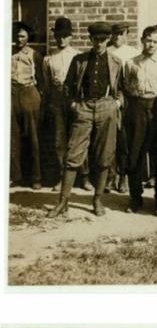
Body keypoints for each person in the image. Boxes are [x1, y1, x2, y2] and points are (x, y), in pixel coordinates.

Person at [50, 21, 123, 218]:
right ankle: (63, 201)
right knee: (73, 154)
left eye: (103, 40)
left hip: (106, 108)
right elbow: (67, 88)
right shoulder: (79, 60)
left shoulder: (116, 62)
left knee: (104, 155)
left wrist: (116, 104)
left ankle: (97, 200)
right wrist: (74, 105)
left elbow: (122, 89)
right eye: (95, 39)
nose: (99, 43)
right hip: (84, 108)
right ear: (90, 39)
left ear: (108, 40)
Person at [42, 17, 77, 188]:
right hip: (57, 99)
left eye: (65, 36)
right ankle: (62, 176)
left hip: (74, 98)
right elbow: (47, 84)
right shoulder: (49, 59)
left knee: (77, 137)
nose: (61, 39)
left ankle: (82, 177)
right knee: (59, 139)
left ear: (71, 37)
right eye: (58, 36)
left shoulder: (78, 56)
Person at [10, 21, 43, 189]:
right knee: (13, 135)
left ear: (28, 38)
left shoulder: (34, 54)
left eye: (22, 36)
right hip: (12, 93)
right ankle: (16, 176)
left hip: (29, 92)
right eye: (17, 36)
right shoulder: (8, 53)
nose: (18, 39)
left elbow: (42, 80)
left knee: (33, 136)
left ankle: (36, 177)